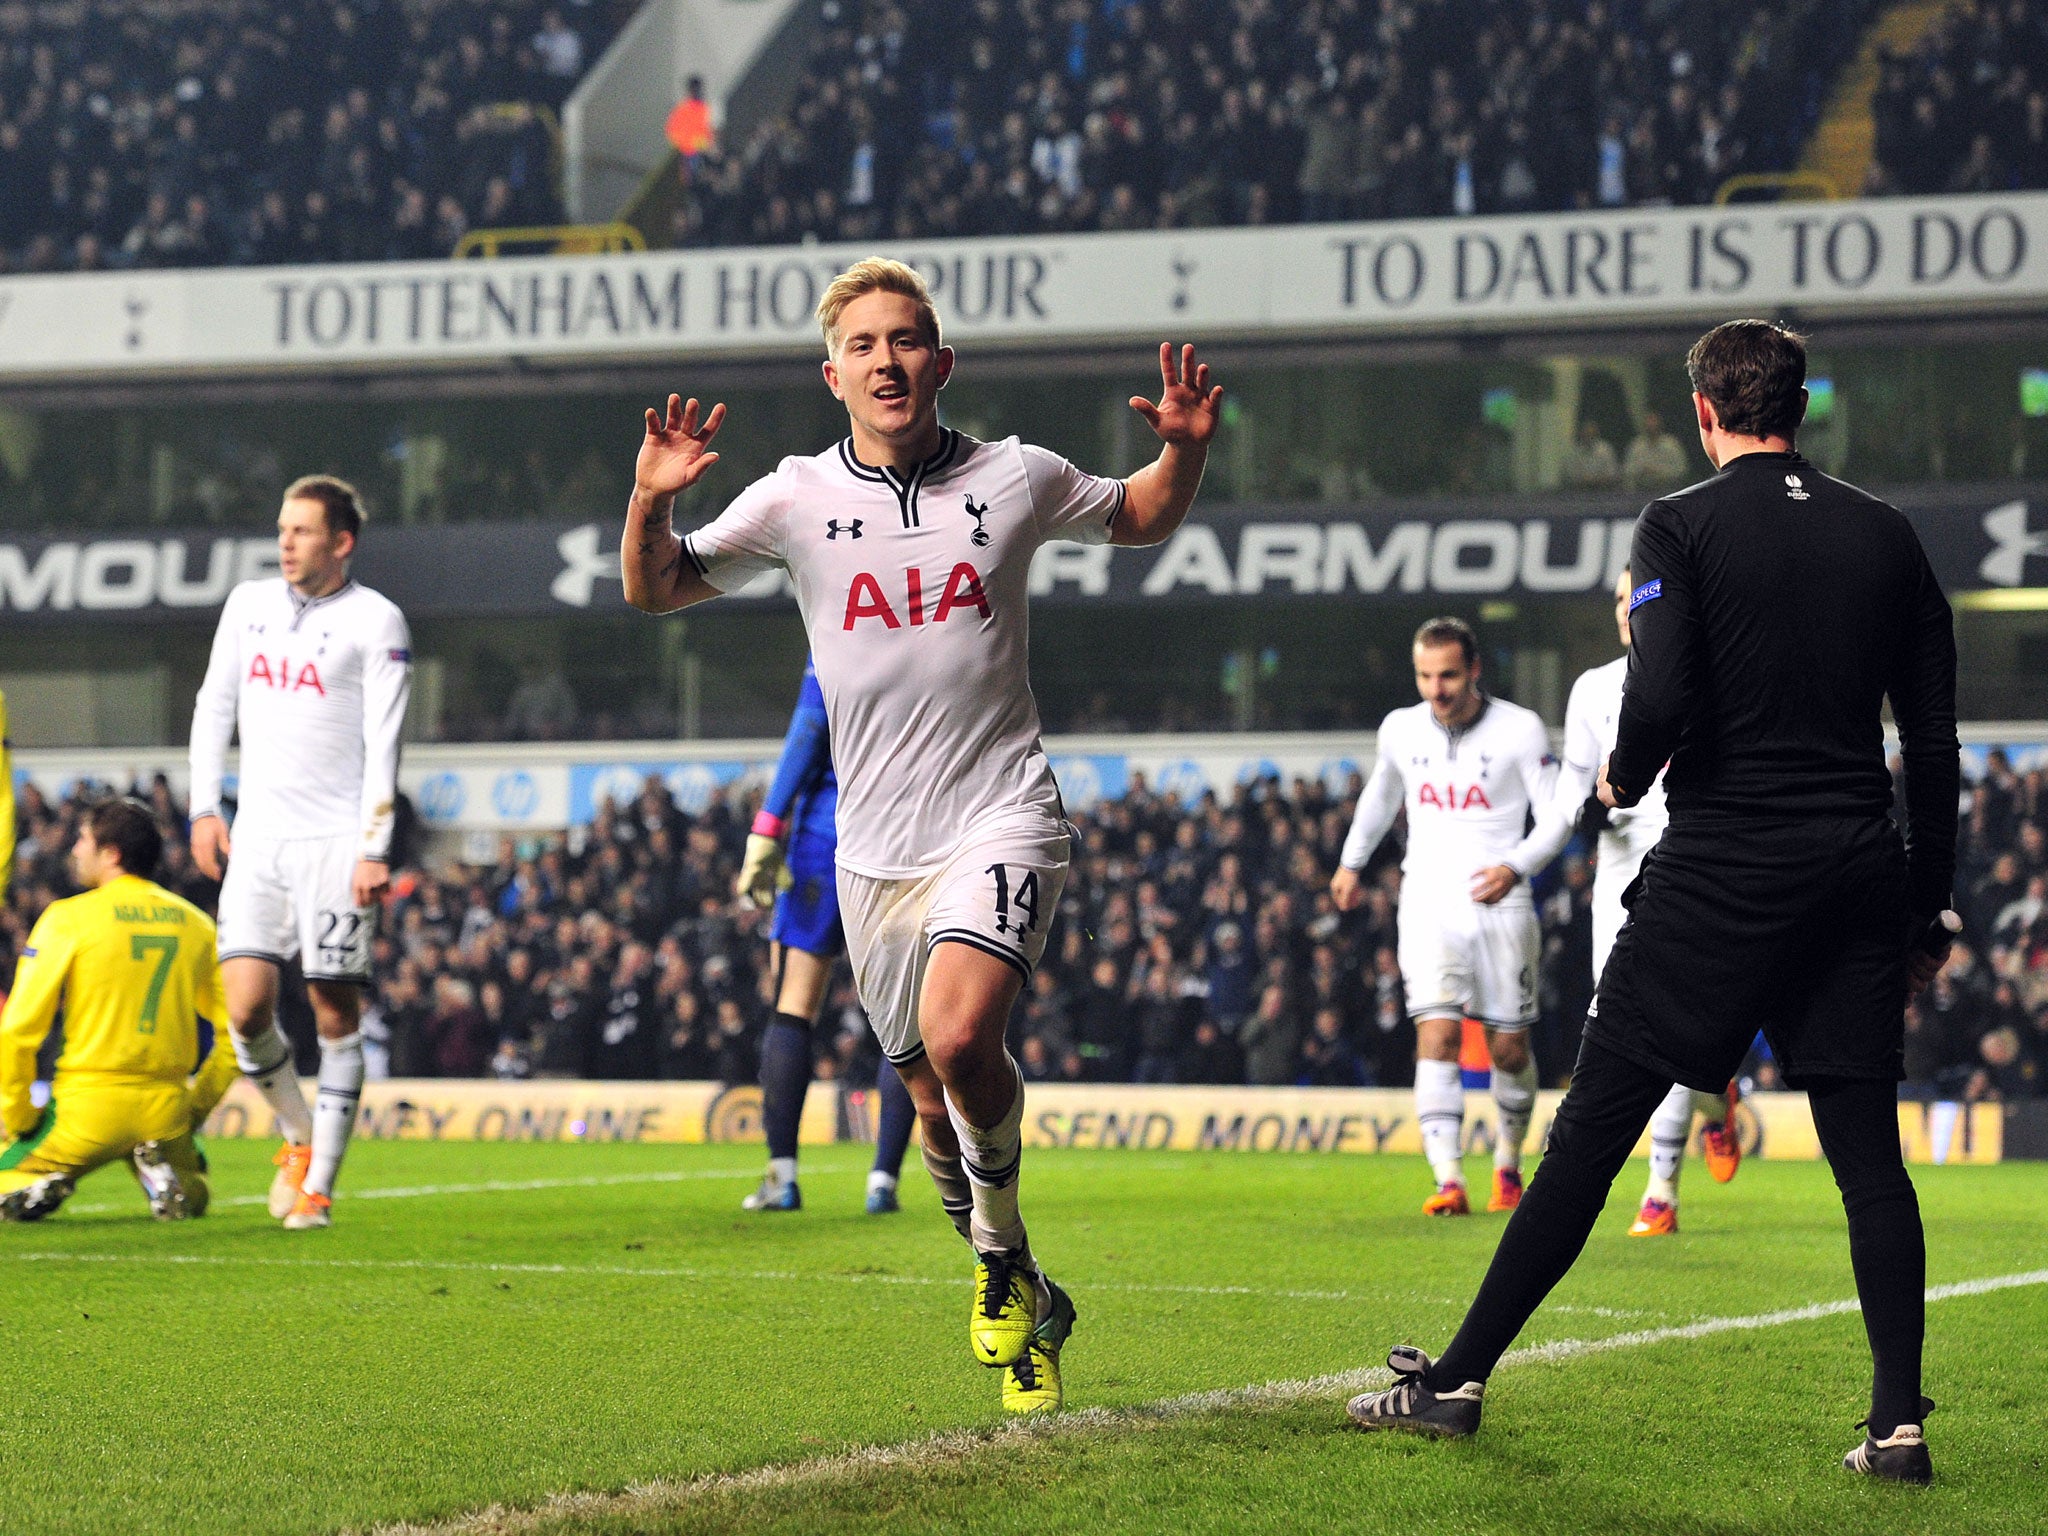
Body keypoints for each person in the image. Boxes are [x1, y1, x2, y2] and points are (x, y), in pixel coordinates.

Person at [1347, 320, 1959, 1487]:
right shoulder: (1886, 535)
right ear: (1801, 406)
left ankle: (1458, 1381)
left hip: (1722, 868)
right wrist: (1923, 906)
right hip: (1850, 872)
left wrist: (1625, 768)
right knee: (1866, 1162)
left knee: (1588, 1135)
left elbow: (1664, 685)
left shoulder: (1674, 523)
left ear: (1701, 411)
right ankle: (1895, 1428)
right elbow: (1929, 741)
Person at [620, 256, 1220, 1414]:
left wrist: (1183, 448)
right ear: (832, 372)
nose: (886, 360)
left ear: (939, 362)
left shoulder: (1016, 475)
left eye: (905, 340)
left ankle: (999, 1261)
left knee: (957, 1042)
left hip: (1000, 812)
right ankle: (1032, 1291)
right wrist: (652, 496)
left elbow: (1139, 515)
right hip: (870, 852)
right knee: (931, 1116)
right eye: (864, 345)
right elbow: (654, 592)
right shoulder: (792, 498)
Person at [189, 475, 412, 1230]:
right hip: (255, 837)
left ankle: (318, 1185)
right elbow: (214, 704)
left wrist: (374, 846)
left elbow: (386, 742)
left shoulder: (376, 621)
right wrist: (203, 807)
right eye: (281, 529)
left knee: (332, 1011)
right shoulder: (247, 606)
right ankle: (296, 1133)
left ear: (341, 542)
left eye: (302, 530)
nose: (284, 541)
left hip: (334, 844)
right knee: (245, 1010)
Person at [1331, 618, 1572, 1216]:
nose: (1436, 689)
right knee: (1435, 1033)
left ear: (1475, 671)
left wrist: (1515, 867)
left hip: (1502, 904)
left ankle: (1508, 1166)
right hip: (1429, 901)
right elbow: (1381, 797)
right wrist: (1350, 864)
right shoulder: (1401, 729)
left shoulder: (1519, 730)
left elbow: (1558, 816)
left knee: (1508, 1048)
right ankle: (1449, 1181)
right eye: (1425, 676)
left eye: (1448, 676)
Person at [1560, 566, 1743, 1237]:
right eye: (1616, 600)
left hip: (1696, 864)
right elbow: (1574, 788)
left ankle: (1661, 1189)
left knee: (1676, 1024)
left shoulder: (1715, 675)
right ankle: (1715, 1098)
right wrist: (1578, 823)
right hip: (1618, 874)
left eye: (1638, 600)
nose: (1624, 613)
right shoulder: (1591, 689)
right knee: (1626, 1021)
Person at [735, 654, 917, 1215]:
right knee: (901, 1017)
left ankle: (782, 1178)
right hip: (902, 840)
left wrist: (767, 823)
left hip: (824, 838)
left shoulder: (840, 618)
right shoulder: (930, 623)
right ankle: (883, 1182)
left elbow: (810, 729)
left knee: (794, 1004)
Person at [1, 799, 238, 1221]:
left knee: (9, 1163)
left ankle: (34, 1182)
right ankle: (172, 1182)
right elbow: (236, 1032)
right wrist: (195, 1108)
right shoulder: (197, 924)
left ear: (111, 854)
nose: (75, 849)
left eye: (84, 840)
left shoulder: (68, 918)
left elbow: (18, 1029)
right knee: (194, 1182)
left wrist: (19, 1115)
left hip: (86, 1108)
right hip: (165, 1106)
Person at [1621, 410, 1691, 491]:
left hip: (1668, 490)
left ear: (1660, 425)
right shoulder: (1636, 446)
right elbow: (1627, 471)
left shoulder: (1672, 445)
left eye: (1654, 423)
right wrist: (1642, 472)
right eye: (1648, 424)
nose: (1651, 427)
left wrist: (1659, 473)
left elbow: (1681, 470)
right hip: (1641, 492)